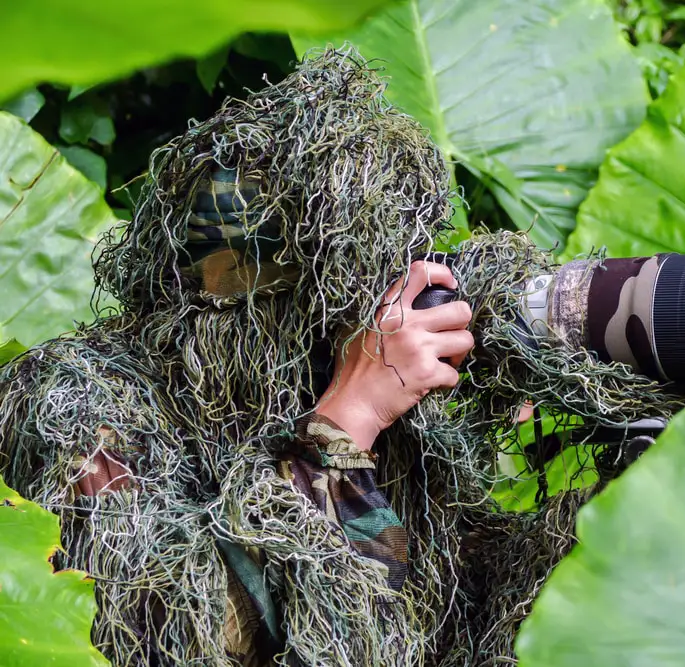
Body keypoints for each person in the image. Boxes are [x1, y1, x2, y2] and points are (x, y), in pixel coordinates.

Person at [0, 48, 599, 666]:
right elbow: (161, 637)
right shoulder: (76, 399)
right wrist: (343, 427)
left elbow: (448, 606)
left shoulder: (347, 396)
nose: (373, 320)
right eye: (337, 294)